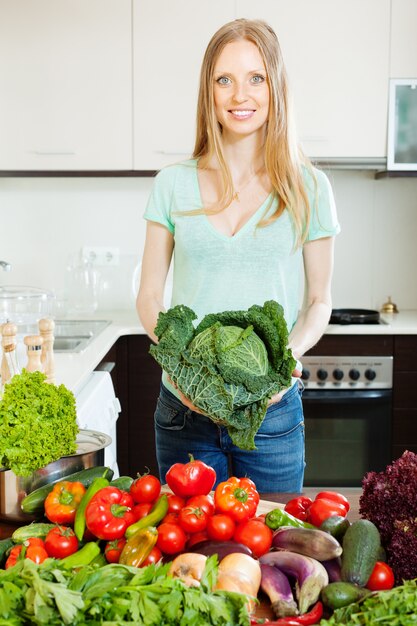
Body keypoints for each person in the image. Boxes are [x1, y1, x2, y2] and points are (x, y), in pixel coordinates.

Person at [136, 18, 340, 492]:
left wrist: (286, 357)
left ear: (275, 86)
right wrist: (180, 365)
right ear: (208, 90)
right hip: (184, 408)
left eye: (255, 78)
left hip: (270, 413)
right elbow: (149, 295)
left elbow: (319, 302)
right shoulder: (172, 184)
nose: (239, 95)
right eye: (224, 79)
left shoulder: (309, 187)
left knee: (273, 558)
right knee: (189, 561)